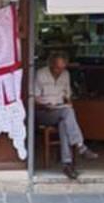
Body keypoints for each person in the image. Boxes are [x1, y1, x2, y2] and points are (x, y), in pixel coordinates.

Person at [32, 51, 96, 179]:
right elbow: (34, 99)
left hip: (60, 112)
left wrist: (68, 102)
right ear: (50, 65)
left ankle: (67, 165)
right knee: (67, 113)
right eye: (56, 68)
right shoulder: (40, 74)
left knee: (64, 123)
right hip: (44, 112)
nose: (59, 71)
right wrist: (45, 105)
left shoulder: (66, 75)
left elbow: (68, 96)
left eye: (62, 68)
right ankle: (80, 146)